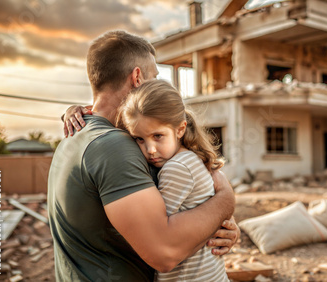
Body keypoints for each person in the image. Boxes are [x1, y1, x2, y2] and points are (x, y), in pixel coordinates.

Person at [48, 30, 238, 281]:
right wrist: (226, 199)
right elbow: (166, 253)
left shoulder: (76, 135)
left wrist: (219, 225)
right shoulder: (113, 146)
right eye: (155, 77)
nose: (158, 86)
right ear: (137, 77)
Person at [113, 79, 229, 281]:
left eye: (158, 136)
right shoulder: (190, 158)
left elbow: (155, 233)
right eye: (139, 139)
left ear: (180, 129)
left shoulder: (177, 168)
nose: (150, 150)